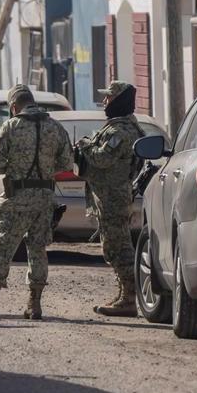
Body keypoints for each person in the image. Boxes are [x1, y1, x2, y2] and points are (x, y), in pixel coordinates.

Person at [0, 84, 73, 321]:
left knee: (3, 248)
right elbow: (67, 163)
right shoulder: (55, 127)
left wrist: (13, 167)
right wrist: (46, 171)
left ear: (14, 107)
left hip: (16, 198)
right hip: (44, 198)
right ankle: (34, 305)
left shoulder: (10, 126)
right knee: (38, 249)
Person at [77, 81, 146, 317]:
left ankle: (129, 299)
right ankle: (123, 295)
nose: (105, 102)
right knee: (112, 245)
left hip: (114, 197)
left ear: (118, 101)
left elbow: (102, 158)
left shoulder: (121, 131)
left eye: (109, 98)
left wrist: (85, 145)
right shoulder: (119, 127)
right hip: (109, 195)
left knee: (119, 247)